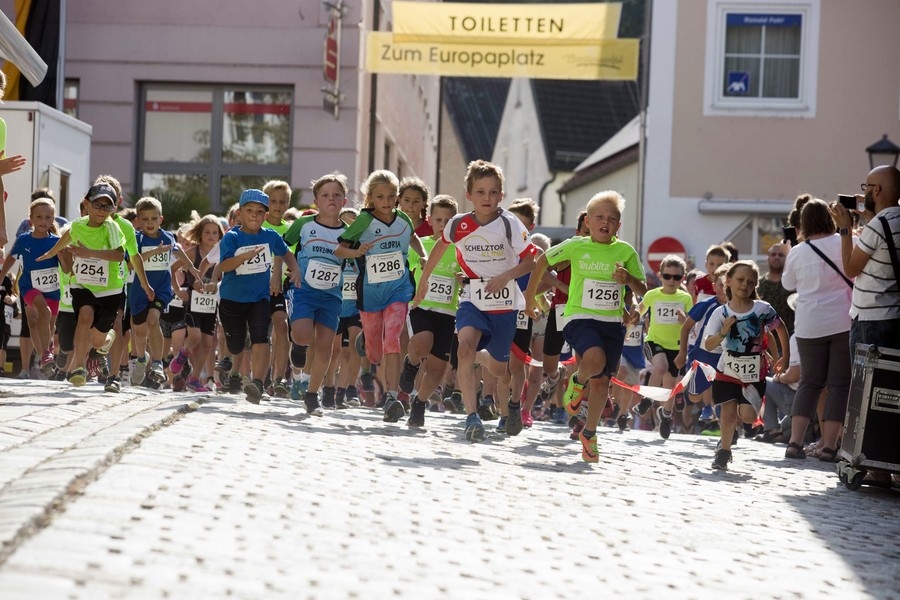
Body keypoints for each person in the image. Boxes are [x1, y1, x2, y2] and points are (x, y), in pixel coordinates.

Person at [414, 160, 536, 442]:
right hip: (472, 297)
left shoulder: (510, 224)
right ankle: (472, 416)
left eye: (493, 192)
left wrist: (507, 275)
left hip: (504, 303)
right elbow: (441, 246)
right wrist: (424, 280)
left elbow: (532, 260)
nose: (487, 198)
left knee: (498, 368)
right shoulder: (458, 224)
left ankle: (510, 405)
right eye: (480, 192)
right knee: (464, 348)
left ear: (501, 195)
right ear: (468, 195)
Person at [525, 191, 646, 462]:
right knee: (594, 359)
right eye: (599, 217)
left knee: (602, 384)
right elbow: (543, 260)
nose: (605, 223)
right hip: (579, 317)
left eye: (612, 219)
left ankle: (589, 434)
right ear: (588, 221)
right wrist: (529, 296)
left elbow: (641, 288)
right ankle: (577, 381)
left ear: (618, 225)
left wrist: (629, 286)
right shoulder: (575, 245)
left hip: (613, 323)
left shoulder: (625, 251)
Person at [336, 170, 428, 423]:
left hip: (398, 290)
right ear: (371, 198)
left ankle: (391, 397)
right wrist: (356, 252)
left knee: (393, 339)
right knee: (374, 353)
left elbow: (412, 237)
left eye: (391, 196)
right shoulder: (364, 221)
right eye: (380, 197)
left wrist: (422, 255)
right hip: (370, 294)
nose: (387, 201)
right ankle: (367, 340)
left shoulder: (403, 220)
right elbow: (339, 249)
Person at [206, 189, 301, 403]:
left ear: (266, 216)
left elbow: (286, 253)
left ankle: (258, 382)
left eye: (259, 212)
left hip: (260, 298)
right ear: (240, 213)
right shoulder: (232, 237)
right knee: (236, 345)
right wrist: (245, 257)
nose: (254, 215)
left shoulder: (270, 236)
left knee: (262, 338)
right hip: (232, 300)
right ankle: (236, 352)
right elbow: (224, 264)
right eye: (249, 211)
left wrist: (295, 269)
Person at [781, 198, 852, 461]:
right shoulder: (843, 241)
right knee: (838, 385)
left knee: (809, 383)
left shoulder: (799, 251)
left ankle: (794, 443)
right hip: (842, 321)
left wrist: (792, 250)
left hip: (809, 325)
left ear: (803, 223)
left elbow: (788, 284)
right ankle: (830, 446)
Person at [36, 184, 128, 386]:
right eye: (97, 204)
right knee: (84, 317)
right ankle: (78, 367)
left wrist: (90, 253)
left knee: (97, 341)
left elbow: (119, 255)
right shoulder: (77, 225)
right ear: (87, 204)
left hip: (109, 289)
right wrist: (49, 255)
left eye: (107, 207)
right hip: (83, 284)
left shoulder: (111, 227)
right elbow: (63, 241)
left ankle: (106, 339)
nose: (101, 210)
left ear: (113, 210)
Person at [702, 260, 789, 470]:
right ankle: (724, 451)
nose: (745, 285)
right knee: (728, 412)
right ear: (728, 282)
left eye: (750, 282)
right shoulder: (720, 313)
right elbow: (708, 343)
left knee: (748, 416)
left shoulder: (761, 309)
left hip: (754, 372)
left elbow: (780, 328)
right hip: (728, 368)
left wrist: (784, 356)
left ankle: (731, 433)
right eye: (740, 280)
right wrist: (723, 332)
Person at [282, 172, 349, 416]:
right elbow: (282, 247)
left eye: (336, 195)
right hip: (304, 290)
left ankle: (312, 395)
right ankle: (299, 346)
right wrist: (292, 269)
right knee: (302, 334)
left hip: (332, 296)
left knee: (325, 348)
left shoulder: (349, 233)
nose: (331, 199)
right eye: (325, 195)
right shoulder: (304, 225)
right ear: (316, 201)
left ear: (344, 200)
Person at [399, 194, 462, 428]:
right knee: (422, 340)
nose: (443, 225)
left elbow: (470, 277)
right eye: (438, 220)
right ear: (430, 220)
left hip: (448, 312)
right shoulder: (422, 245)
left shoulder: (461, 250)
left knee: (437, 367)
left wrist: (464, 279)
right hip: (421, 307)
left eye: (448, 220)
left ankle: (419, 403)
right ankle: (412, 362)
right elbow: (404, 269)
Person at [832, 165, 900, 351]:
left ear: (876, 189)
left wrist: (845, 229)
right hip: (895, 315)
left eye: (866, 187)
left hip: (871, 320)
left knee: (868, 380)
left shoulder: (877, 226)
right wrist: (873, 219)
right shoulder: (887, 223)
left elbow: (850, 268)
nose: (865, 192)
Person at [0, 198, 60, 376]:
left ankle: (44, 354)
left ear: (52, 219)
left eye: (47, 217)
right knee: (41, 313)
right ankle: (45, 355)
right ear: (31, 220)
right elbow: (11, 257)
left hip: (52, 289)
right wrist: (2, 275)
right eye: (39, 217)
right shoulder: (24, 240)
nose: (43, 221)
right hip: (29, 288)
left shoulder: (57, 241)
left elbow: (66, 267)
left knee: (48, 326)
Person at [638, 254, 693, 439]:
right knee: (660, 367)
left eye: (676, 277)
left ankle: (666, 416)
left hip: (675, 347)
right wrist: (630, 318)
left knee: (670, 385)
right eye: (667, 276)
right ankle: (647, 399)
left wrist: (684, 320)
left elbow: (689, 324)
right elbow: (639, 310)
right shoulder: (652, 294)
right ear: (660, 276)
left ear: (682, 279)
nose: (671, 280)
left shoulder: (685, 298)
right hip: (654, 341)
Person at [170, 215, 224, 393]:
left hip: (211, 303)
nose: (211, 236)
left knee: (208, 344)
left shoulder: (223, 252)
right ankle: (182, 355)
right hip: (193, 301)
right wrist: (178, 290)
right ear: (200, 234)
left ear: (219, 235)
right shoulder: (193, 252)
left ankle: (194, 379)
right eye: (207, 232)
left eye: (214, 233)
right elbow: (173, 268)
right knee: (195, 338)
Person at [261, 180, 293, 397]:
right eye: (273, 201)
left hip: (280, 289)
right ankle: (258, 377)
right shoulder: (256, 226)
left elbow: (296, 257)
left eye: (283, 202)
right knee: (260, 334)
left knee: (282, 327)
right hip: (255, 288)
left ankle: (279, 378)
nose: (278, 205)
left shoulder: (291, 230)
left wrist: (294, 270)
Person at [757, 243, 794, 336]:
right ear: (768, 258)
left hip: (788, 338)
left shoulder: (792, 285)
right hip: (764, 341)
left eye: (781, 255)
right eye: (773, 254)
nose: (776, 257)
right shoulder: (758, 284)